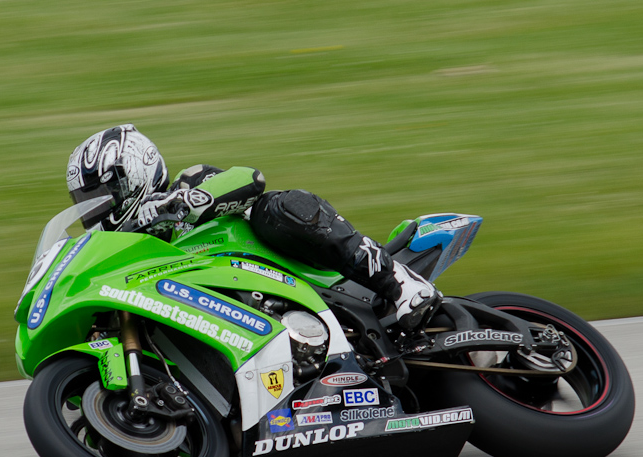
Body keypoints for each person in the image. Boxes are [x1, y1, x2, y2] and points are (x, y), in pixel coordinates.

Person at [65, 124, 442, 331]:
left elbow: (250, 177)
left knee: (276, 207)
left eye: (103, 192)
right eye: (86, 198)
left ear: (134, 173)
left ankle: (398, 282)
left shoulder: (188, 182)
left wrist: (186, 202)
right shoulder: (129, 251)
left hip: (301, 273)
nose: (96, 207)